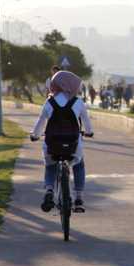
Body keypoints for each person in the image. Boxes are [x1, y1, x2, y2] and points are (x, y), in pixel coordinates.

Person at [30, 70, 94, 212]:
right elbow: (87, 124)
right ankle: (78, 198)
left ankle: (49, 191)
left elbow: (40, 124)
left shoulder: (49, 102)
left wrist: (34, 135)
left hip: (52, 145)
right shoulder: (78, 102)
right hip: (73, 146)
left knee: (50, 165)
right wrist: (89, 132)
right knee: (78, 164)